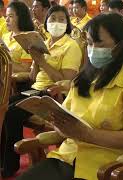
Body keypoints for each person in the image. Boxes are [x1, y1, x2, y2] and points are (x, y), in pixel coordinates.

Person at [17, 13, 123, 180]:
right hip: (68, 157)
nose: (93, 49)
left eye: (99, 44)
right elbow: (66, 119)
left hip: (105, 167)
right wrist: (58, 122)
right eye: (89, 43)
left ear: (120, 46)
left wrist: (87, 134)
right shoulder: (82, 79)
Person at [0, 5, 82, 177]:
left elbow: (64, 81)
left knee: (12, 113)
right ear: (46, 22)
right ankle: (2, 158)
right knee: (3, 106)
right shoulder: (44, 43)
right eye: (53, 19)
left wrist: (42, 61)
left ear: (67, 24)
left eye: (61, 19)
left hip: (52, 93)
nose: (56, 23)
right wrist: (36, 59)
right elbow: (32, 76)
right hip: (35, 89)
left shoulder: (71, 46)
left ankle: (10, 164)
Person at [2, 1, 34, 74]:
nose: (6, 20)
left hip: (14, 82)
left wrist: (5, 60)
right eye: (6, 16)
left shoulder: (27, 38)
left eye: (10, 16)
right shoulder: (5, 36)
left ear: (21, 17)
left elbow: (26, 69)